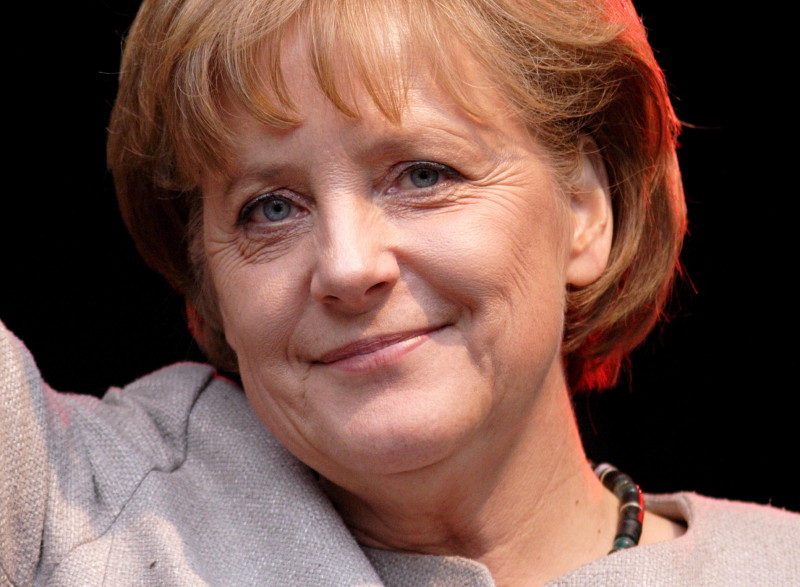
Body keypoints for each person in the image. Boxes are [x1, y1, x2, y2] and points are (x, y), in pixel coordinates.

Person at [1, 0, 797, 585]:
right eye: (270, 208)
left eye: (422, 174)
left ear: (587, 207)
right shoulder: (66, 505)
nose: (348, 267)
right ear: (208, 283)